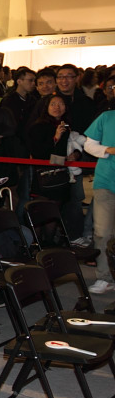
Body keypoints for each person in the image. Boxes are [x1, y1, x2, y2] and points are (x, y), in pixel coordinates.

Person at [84, 109, 115, 294]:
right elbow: (89, 145)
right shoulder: (106, 117)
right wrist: (107, 150)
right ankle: (104, 276)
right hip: (106, 182)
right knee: (102, 233)